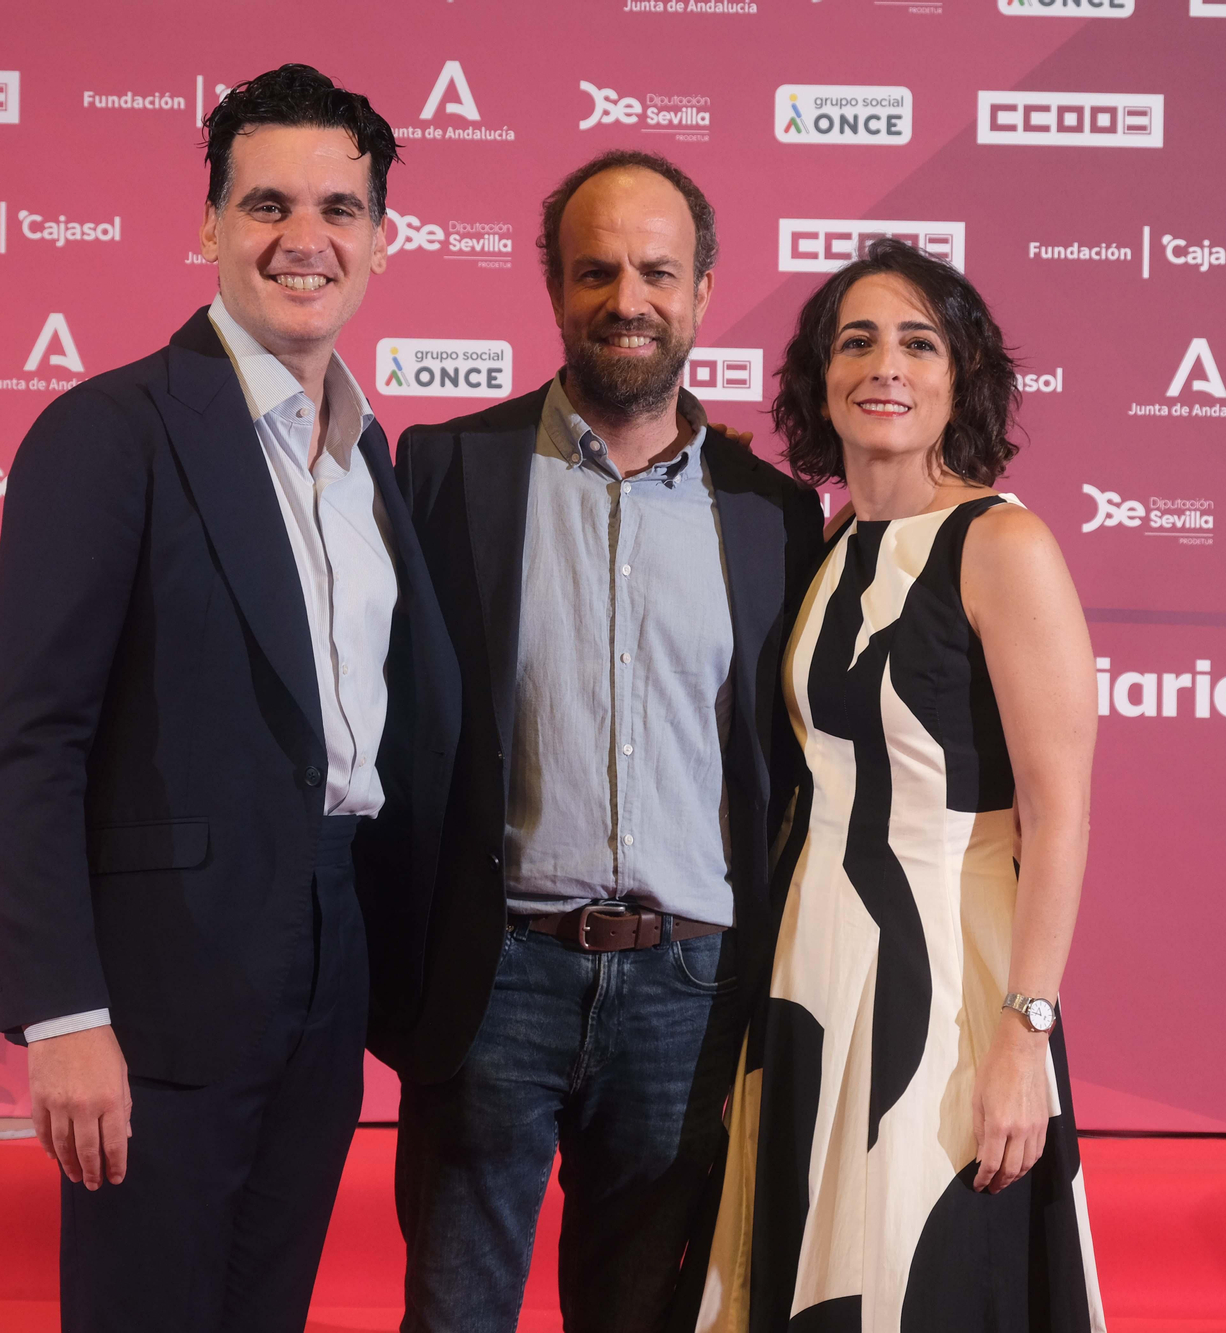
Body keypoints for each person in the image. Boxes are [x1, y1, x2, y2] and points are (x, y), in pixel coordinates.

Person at [0, 64, 456, 1332]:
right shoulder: (111, 430)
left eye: (340, 210)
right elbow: (33, 745)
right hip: (155, 999)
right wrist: (64, 1014)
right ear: (208, 226)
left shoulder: (370, 460)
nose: (306, 240)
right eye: (267, 205)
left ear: (381, 241)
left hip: (327, 968)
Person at [383, 150, 825, 1333]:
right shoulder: (442, 470)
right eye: (595, 270)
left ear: (701, 287)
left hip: (688, 989)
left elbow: (783, 769)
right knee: (454, 1314)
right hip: (495, 976)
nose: (625, 298)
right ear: (551, 285)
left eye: (654, 270)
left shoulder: (772, 513)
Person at [693, 239, 1106, 1332]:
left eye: (917, 342)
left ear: (959, 374)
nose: (885, 365)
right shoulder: (832, 540)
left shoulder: (1000, 543)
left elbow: (1058, 820)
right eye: (857, 340)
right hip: (809, 972)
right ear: (819, 378)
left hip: (942, 984)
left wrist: (1024, 1034)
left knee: (906, 1276)